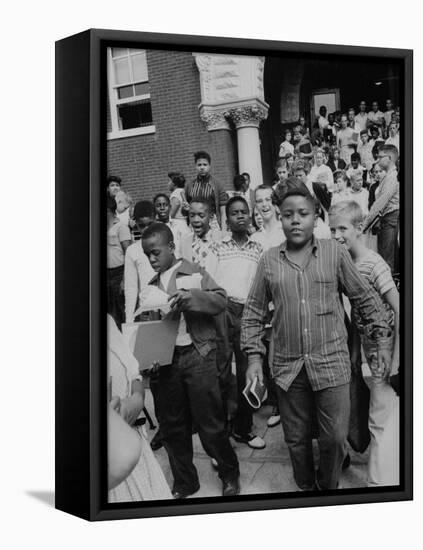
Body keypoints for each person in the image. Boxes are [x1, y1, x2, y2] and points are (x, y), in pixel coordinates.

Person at [241, 187, 393, 491]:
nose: (295, 221)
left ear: (315, 217)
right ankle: (306, 489)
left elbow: (365, 299)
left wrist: (382, 343)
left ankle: (328, 486)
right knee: (296, 440)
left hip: (331, 363)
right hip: (288, 368)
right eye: (288, 215)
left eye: (303, 214)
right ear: (279, 219)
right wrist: (254, 359)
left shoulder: (334, 253)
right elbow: (253, 312)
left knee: (335, 438)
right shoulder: (269, 260)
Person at [141, 222, 240, 498]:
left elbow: (220, 300)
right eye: (147, 254)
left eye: (156, 252)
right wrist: (150, 357)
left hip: (198, 355)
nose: (151, 259)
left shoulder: (193, 271)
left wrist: (191, 297)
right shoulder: (150, 286)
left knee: (210, 424)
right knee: (172, 426)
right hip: (166, 362)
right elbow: (149, 329)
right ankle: (185, 482)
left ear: (172, 247)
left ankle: (229, 473)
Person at [329, 201, 399, 486]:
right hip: (366, 346)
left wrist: (397, 358)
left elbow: (399, 305)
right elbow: (357, 312)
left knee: (381, 416)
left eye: (342, 228)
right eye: (332, 229)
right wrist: (355, 353)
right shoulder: (347, 262)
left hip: (385, 345)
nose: (336, 235)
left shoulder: (373, 263)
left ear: (359, 229)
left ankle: (379, 483)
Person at [213, 196, 265, 450]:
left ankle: (244, 428)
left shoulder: (257, 248)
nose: (240, 216)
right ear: (227, 218)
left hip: (248, 312)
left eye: (244, 211)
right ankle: (222, 434)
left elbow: (261, 284)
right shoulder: (218, 247)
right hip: (223, 311)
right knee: (221, 372)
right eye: (234, 213)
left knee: (248, 372)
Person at [107, 315, 172, 502]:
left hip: (137, 444)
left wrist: (137, 399)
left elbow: (133, 372)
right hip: (115, 460)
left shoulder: (108, 321)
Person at [362, 145, 400, 273]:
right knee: (386, 257)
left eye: (380, 157)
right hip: (386, 219)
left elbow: (380, 203)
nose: (377, 160)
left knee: (387, 260)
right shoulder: (388, 176)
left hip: (390, 218)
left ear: (389, 158)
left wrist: (365, 224)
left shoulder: (392, 177)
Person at [124, 201, 156, 323]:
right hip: (146, 311)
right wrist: (129, 320)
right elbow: (131, 288)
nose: (147, 229)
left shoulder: (169, 243)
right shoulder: (133, 251)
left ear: (156, 219)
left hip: (170, 309)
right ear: (136, 224)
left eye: (150, 224)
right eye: (142, 225)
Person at [184, 151, 228, 230]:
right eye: (199, 165)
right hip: (194, 222)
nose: (202, 167)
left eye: (205, 164)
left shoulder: (217, 185)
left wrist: (224, 230)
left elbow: (223, 210)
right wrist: (185, 208)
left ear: (209, 166)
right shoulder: (190, 185)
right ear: (195, 166)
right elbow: (185, 210)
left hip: (212, 222)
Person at [107, 196, 132, 328]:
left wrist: (124, 279)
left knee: (121, 310)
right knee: (110, 313)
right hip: (107, 274)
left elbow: (128, 253)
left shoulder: (121, 227)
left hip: (119, 273)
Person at [180, 198, 221, 274]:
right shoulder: (185, 242)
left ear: (211, 217)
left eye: (201, 215)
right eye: (192, 215)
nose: (196, 220)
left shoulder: (221, 239)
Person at [251, 185, 285, 250]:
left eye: (268, 199)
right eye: (260, 201)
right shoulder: (253, 239)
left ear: (275, 202)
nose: (264, 204)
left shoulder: (286, 232)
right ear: (256, 205)